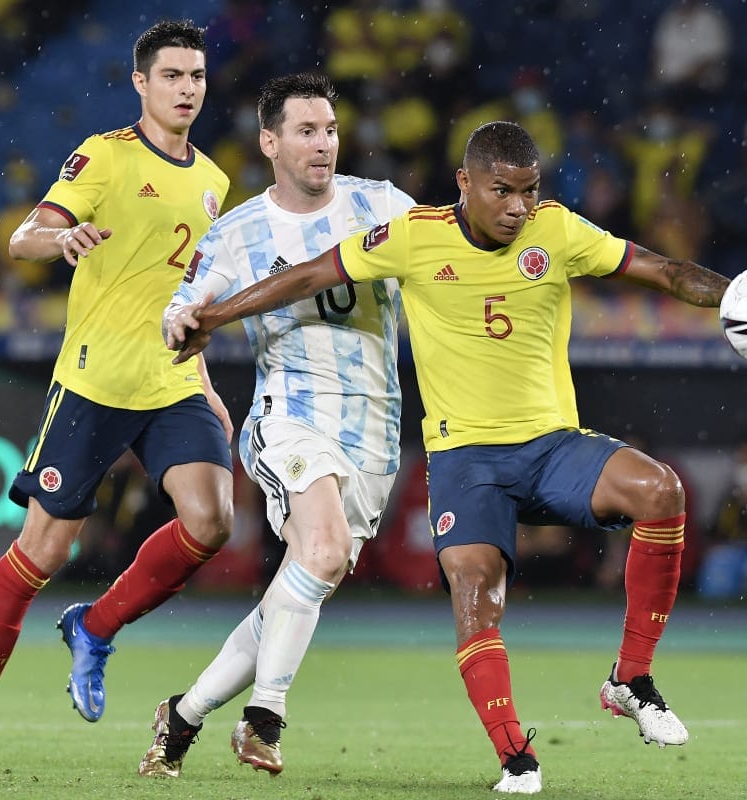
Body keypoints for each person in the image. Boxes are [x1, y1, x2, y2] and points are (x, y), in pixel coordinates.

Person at [169, 121, 732, 794]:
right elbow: (312, 275)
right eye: (503, 191)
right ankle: (517, 759)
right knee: (476, 601)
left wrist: (732, 296)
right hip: (467, 462)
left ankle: (632, 678)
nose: (518, 208)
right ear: (465, 183)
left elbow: (663, 270)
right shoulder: (414, 236)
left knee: (662, 491)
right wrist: (215, 315)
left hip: (551, 446)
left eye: (529, 191)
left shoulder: (556, 229)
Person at [0, 20, 235, 771]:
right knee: (41, 551)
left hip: (171, 380)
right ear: (140, 83)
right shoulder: (104, 156)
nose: (187, 89)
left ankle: (96, 627)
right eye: (171, 75)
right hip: (96, 381)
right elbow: (25, 239)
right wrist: (63, 240)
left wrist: (204, 382)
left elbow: (184, 292)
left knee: (212, 519)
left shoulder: (214, 180)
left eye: (197, 76)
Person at [137, 71, 415, 780]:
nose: (323, 145)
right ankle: (265, 719)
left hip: (375, 439)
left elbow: (445, 262)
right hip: (287, 420)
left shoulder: (379, 204)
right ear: (270, 141)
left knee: (300, 581)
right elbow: (185, 302)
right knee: (318, 549)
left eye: (329, 130)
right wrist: (180, 319)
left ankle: (185, 714)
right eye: (305, 131)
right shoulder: (238, 233)